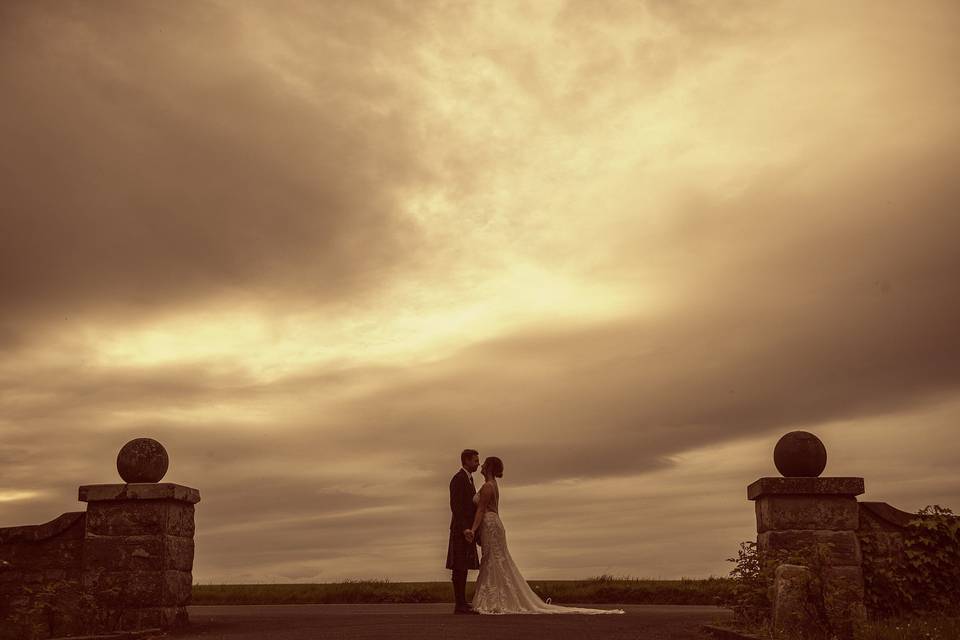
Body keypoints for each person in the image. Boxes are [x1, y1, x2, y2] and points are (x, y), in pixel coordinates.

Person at [467, 456, 625, 615]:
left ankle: (493, 599)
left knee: (492, 560)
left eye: (484, 464)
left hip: (490, 524)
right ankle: (495, 597)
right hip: (493, 524)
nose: (481, 465)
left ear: (489, 468)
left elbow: (481, 510)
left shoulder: (488, 486)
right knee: (493, 560)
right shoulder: (493, 485)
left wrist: (472, 530)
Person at [446, 448, 481, 614]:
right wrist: (465, 528)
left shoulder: (469, 479)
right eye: (475, 460)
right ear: (466, 460)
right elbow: (456, 506)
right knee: (458, 566)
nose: (478, 463)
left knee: (463, 566)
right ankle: (459, 604)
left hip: (466, 530)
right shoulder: (458, 479)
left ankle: (462, 602)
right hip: (460, 530)